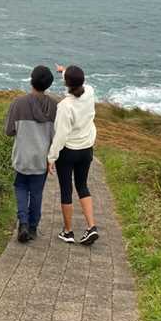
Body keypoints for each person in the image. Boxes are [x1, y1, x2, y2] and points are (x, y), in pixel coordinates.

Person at [4, 65, 58, 243]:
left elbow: (9, 131)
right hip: (41, 159)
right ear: (48, 85)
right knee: (36, 192)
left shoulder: (18, 103)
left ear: (31, 80)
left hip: (22, 157)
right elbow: (56, 134)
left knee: (20, 188)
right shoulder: (54, 106)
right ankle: (33, 228)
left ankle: (23, 223)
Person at [47, 64, 99, 246]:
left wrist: (51, 158)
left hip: (68, 152)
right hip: (86, 149)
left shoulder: (64, 106)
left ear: (66, 84)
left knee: (66, 189)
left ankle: (68, 231)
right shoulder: (90, 92)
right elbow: (79, 82)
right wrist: (64, 71)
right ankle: (91, 227)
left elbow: (60, 136)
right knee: (82, 186)